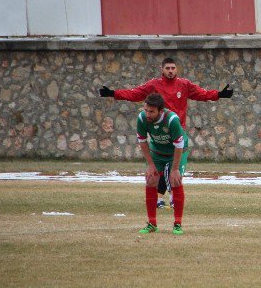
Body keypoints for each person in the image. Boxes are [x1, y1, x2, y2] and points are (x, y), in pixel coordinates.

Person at [99, 57, 233, 208]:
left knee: (174, 169)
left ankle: (168, 198)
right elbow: (135, 93)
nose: (170, 71)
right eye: (167, 68)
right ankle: (164, 198)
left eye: (173, 68)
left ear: (176, 69)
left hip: (177, 132)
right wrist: (113, 93)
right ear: (162, 69)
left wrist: (219, 95)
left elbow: (202, 94)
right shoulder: (154, 85)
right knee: (161, 170)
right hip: (160, 133)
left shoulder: (184, 84)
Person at [136, 93, 190, 235]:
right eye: (146, 110)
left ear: (161, 111)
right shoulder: (142, 118)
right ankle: (152, 224)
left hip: (177, 151)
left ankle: (177, 224)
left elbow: (179, 145)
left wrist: (175, 168)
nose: (147, 114)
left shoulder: (172, 120)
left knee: (175, 180)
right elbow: (142, 142)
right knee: (151, 180)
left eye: (151, 111)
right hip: (157, 152)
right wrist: (150, 165)